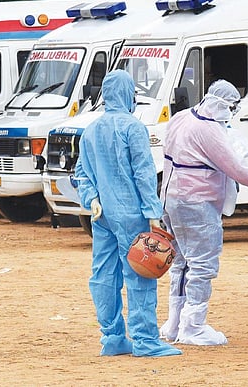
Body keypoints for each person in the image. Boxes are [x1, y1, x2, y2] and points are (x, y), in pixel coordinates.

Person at [159, 79, 248, 345]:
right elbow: (239, 170)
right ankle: (193, 327)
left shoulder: (181, 118)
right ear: (223, 104)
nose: (233, 113)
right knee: (202, 264)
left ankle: (174, 323)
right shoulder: (209, 130)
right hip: (197, 203)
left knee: (181, 262)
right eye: (233, 107)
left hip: (172, 199)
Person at [74, 69, 181, 357]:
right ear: (127, 94)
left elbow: (81, 172)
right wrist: (152, 211)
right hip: (131, 214)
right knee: (141, 271)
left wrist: (91, 199)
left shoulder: (90, 130)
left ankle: (112, 337)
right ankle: (145, 340)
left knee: (104, 275)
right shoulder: (133, 127)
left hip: (102, 215)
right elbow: (144, 174)